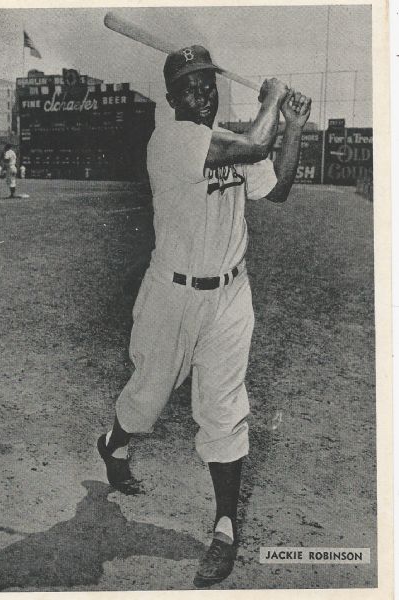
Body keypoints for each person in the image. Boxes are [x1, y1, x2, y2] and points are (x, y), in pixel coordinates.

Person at [97, 45, 311, 588]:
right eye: (189, 87)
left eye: (207, 84)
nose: (201, 93)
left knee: (223, 410)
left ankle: (224, 528)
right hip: (171, 293)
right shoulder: (171, 140)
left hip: (230, 295)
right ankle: (115, 440)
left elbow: (278, 190)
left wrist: (294, 128)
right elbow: (254, 141)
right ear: (171, 98)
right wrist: (273, 101)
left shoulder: (233, 142)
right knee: (147, 395)